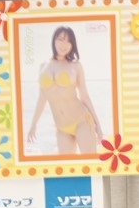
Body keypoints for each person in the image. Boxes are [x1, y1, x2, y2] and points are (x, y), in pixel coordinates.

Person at [27, 26, 102, 154]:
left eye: (68, 41)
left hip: (82, 122)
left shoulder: (75, 66)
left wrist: (98, 126)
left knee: (89, 161)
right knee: (66, 165)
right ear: (54, 40)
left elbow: (84, 97)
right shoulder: (43, 66)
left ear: (72, 45)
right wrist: (33, 124)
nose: (64, 44)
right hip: (62, 128)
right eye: (61, 39)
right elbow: (42, 98)